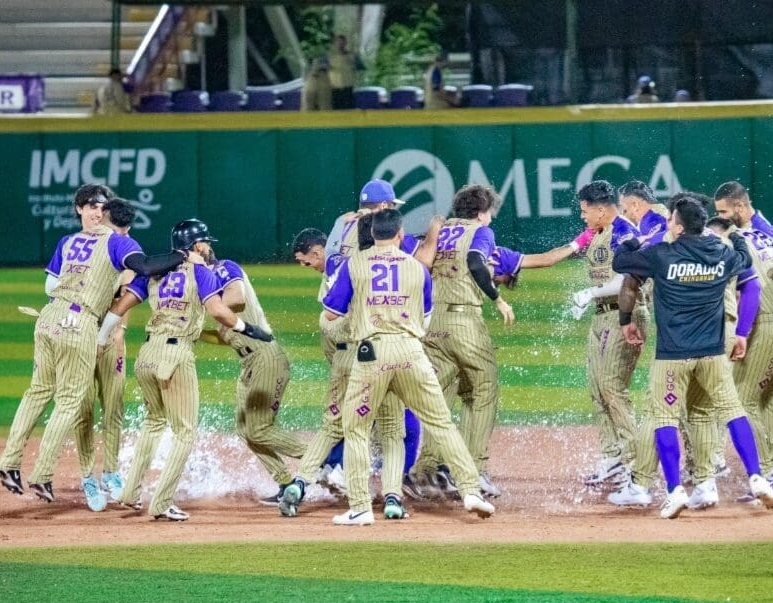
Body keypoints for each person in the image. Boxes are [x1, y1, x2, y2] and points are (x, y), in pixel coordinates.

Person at [0, 184, 186, 503]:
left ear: (107, 211)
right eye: (91, 206)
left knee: (38, 391)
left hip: (49, 317)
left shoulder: (70, 241)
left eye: (101, 206)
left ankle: (9, 462)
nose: (97, 211)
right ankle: (42, 475)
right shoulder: (117, 243)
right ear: (82, 209)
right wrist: (180, 255)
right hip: (79, 322)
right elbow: (148, 267)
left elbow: (51, 284)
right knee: (70, 401)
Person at [312, 208, 496, 524]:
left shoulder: (355, 264)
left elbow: (330, 314)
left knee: (355, 429)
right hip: (412, 353)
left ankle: (360, 508)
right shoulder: (417, 268)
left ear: (372, 235)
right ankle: (470, 491)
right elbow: (424, 319)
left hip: (372, 354)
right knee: (442, 424)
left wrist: (351, 324)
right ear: (400, 235)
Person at [611, 196, 773, 519]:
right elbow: (744, 259)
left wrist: (633, 239)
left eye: (671, 221)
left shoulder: (661, 255)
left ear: (677, 225)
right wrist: (735, 237)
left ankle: (675, 490)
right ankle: (757, 475)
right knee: (732, 411)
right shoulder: (722, 253)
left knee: (665, 419)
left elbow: (622, 263)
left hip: (672, 356)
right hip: (713, 354)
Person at [105, 219, 273, 521]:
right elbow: (219, 312)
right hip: (176, 353)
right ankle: (161, 502)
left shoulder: (155, 270)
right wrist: (250, 329)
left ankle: (129, 493)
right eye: (205, 242)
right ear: (196, 245)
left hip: (147, 353)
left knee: (154, 422)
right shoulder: (201, 270)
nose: (208, 247)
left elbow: (122, 305)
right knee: (185, 432)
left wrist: (100, 331)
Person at [412, 184, 514, 497]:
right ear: (482, 212)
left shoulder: (440, 230)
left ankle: (425, 470)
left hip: (433, 321)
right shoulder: (481, 231)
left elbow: (418, 265)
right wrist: (498, 299)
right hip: (463, 319)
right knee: (484, 388)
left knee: (441, 394)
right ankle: (473, 470)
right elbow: (474, 260)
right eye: (490, 213)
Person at [714, 182, 773, 497]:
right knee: (770, 396)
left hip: (767, 326)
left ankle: (765, 474)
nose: (721, 219)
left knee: (743, 400)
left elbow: (747, 292)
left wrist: (742, 336)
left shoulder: (736, 242)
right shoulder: (765, 234)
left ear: (740, 207)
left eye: (724, 212)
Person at [211, 253, 311, 504]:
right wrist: (189, 335)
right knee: (245, 430)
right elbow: (225, 336)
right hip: (248, 363)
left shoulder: (223, 268)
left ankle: (322, 457)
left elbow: (237, 297)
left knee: (259, 428)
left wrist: (210, 302)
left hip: (266, 357)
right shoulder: (209, 288)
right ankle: (286, 482)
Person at [566, 181, 646, 487]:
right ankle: (612, 456)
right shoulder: (599, 232)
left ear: (601, 209)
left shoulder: (623, 231)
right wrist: (592, 297)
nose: (583, 216)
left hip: (625, 314)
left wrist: (591, 291)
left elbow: (630, 277)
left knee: (613, 387)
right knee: (598, 389)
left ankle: (635, 462)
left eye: (585, 211)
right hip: (603, 315)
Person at [74, 197, 137, 511]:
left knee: (113, 407)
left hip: (110, 339)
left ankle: (111, 472)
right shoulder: (79, 246)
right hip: (81, 337)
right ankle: (88, 477)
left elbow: (128, 297)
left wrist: (119, 334)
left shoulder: (122, 248)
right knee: (83, 410)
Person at [327, 35, 364, 110]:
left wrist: (353, 66)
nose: (340, 44)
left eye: (342, 42)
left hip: (347, 87)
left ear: (345, 43)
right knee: (336, 109)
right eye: (338, 42)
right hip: (334, 88)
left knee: (348, 109)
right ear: (335, 43)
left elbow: (361, 67)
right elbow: (320, 68)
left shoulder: (352, 56)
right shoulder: (329, 57)